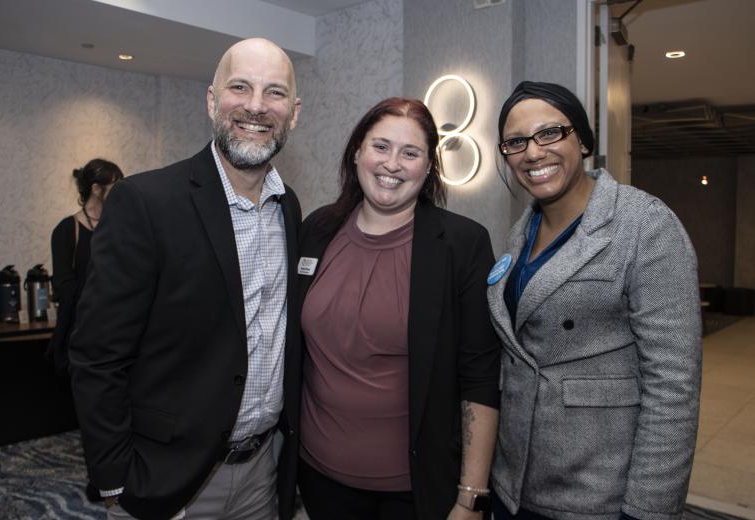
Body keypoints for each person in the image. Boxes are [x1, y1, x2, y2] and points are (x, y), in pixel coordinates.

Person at [68, 38, 302, 520]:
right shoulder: (146, 202)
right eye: (240, 87)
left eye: (274, 93)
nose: (257, 106)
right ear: (213, 101)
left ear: (293, 113)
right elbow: (97, 354)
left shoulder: (290, 208)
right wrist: (113, 478)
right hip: (167, 481)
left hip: (262, 473)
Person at [487, 81, 702, 520]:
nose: (533, 153)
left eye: (550, 133)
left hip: (597, 498)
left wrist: (648, 510)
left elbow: (673, 386)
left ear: (582, 140)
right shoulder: (519, 233)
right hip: (515, 485)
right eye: (516, 142)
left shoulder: (644, 226)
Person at [286, 97, 500, 520]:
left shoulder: (462, 245)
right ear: (357, 153)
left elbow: (480, 376)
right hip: (318, 478)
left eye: (410, 152)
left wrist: (471, 496)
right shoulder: (317, 229)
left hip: (415, 492)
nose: (392, 164)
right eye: (380, 146)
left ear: (428, 166)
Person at [47, 158, 124, 377]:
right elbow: (64, 285)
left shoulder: (119, 228)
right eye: (115, 187)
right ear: (96, 189)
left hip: (115, 335)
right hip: (79, 335)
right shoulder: (67, 229)